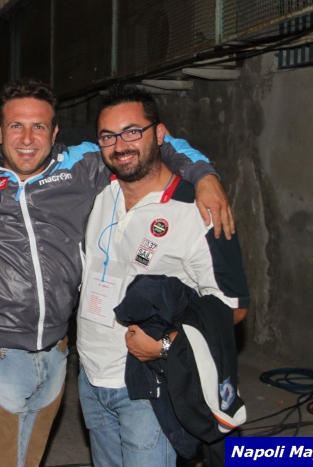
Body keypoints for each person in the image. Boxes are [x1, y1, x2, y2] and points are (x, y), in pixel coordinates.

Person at [0, 78, 232, 467]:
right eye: (16, 126)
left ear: (55, 132)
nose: (27, 138)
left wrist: (204, 175)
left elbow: (152, 144)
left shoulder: (80, 166)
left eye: (39, 126)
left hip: (54, 356)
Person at [76, 83, 250, 467]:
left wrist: (167, 346)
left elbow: (232, 308)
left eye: (132, 131)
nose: (120, 145)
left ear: (159, 135)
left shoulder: (198, 210)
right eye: (108, 136)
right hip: (90, 378)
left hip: (148, 384)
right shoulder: (98, 192)